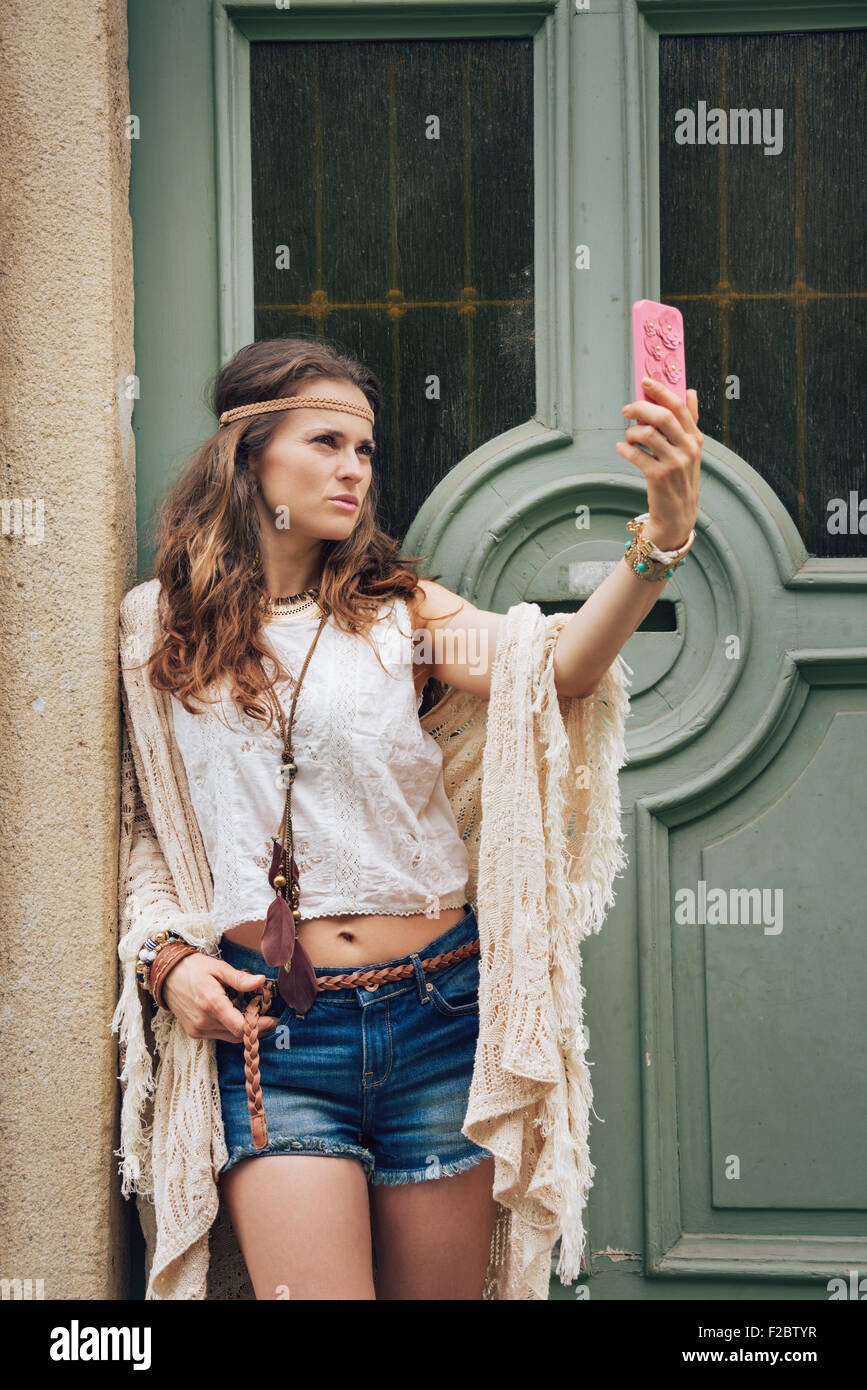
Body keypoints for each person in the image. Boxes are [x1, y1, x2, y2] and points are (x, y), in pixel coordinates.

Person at [117, 335, 702, 1300]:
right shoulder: (156, 627)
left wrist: (663, 533)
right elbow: (147, 829)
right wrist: (165, 962)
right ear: (247, 450)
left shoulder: (397, 612)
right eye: (327, 442)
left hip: (436, 1011)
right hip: (276, 1030)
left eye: (366, 449)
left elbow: (555, 671)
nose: (354, 468)